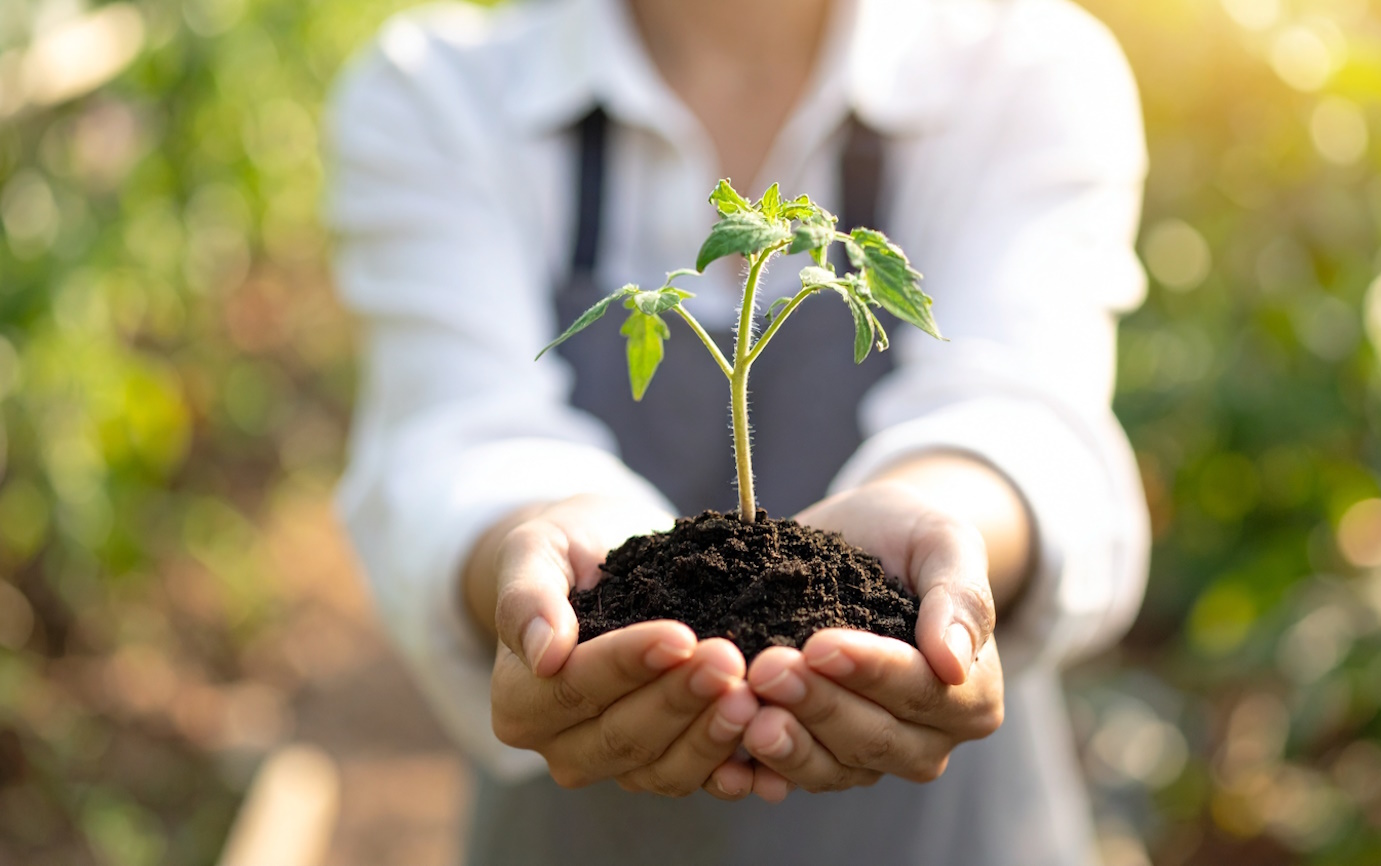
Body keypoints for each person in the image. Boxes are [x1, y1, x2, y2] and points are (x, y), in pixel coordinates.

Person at [326, 0, 1150, 862]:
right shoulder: (440, 93)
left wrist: (941, 533)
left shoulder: (1024, 67)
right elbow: (458, 439)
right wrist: (537, 561)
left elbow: (1022, 411)